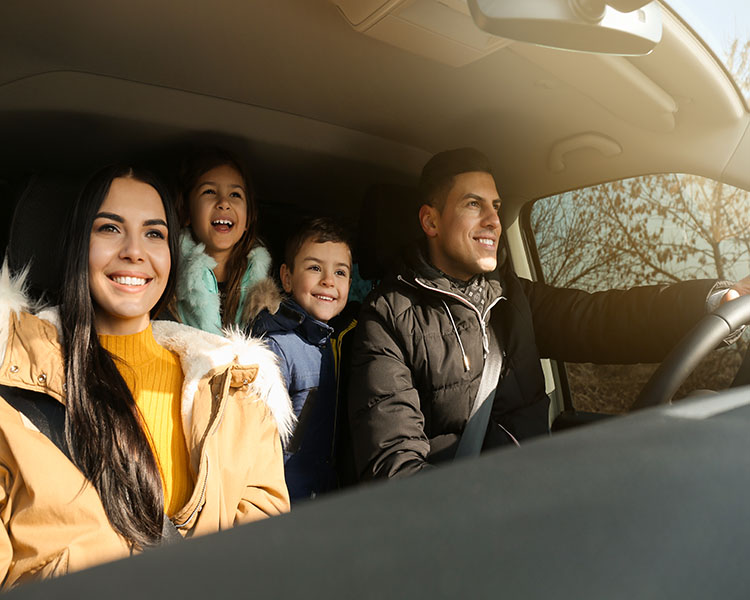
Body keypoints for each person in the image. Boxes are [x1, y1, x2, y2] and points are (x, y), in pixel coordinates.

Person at [347, 147, 750, 481]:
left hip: (542, 488)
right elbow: (394, 469)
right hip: (469, 524)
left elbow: (604, 319)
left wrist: (713, 301)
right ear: (430, 221)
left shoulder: (513, 296)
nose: (494, 220)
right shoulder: (386, 318)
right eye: (474, 204)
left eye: (497, 206)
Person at [0, 165, 293, 587]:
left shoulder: (237, 393)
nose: (135, 251)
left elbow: (268, 564)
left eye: (154, 234)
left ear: (172, 255)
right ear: (77, 245)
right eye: (110, 229)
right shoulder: (12, 390)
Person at [253, 217, 355, 502]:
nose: (328, 281)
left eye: (341, 272)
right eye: (314, 268)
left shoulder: (338, 342)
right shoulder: (276, 348)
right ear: (286, 277)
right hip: (285, 501)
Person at [171, 148, 279, 335]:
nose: (224, 202)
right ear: (187, 212)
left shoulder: (268, 291)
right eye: (209, 191)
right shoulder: (167, 280)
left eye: (235, 195)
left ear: (247, 218)